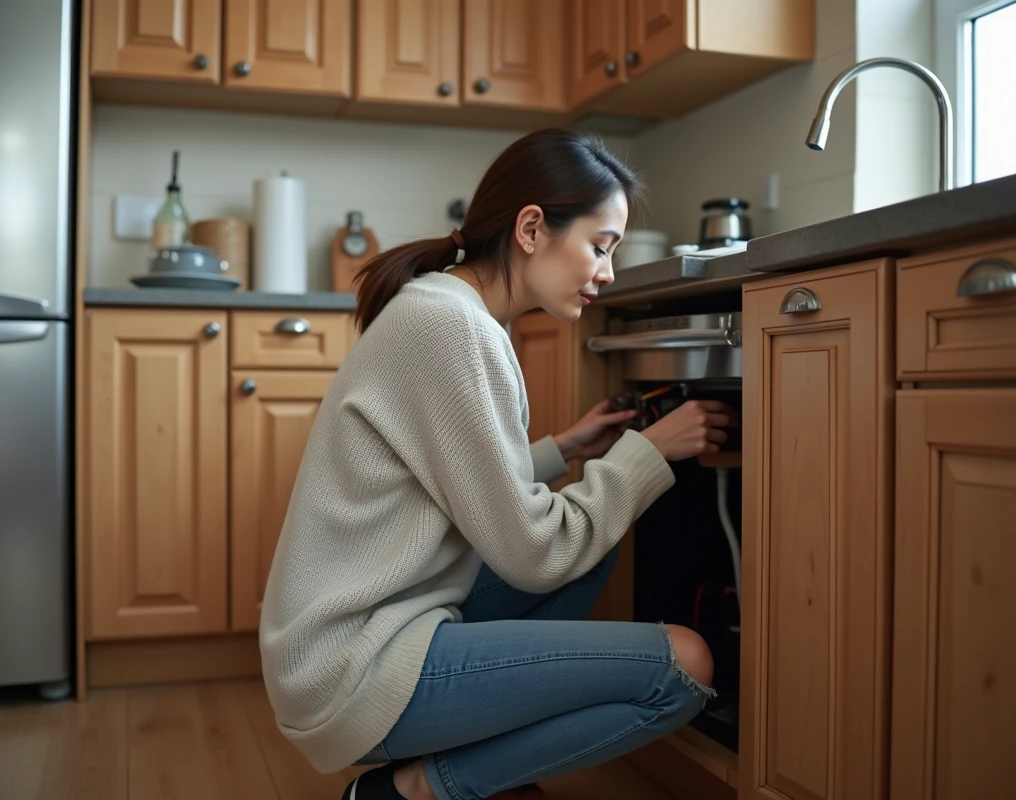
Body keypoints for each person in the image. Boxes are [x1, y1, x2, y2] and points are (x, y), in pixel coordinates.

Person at [258, 128, 735, 800]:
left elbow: (445, 481)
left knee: (594, 543)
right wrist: (648, 452)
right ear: (532, 228)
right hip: (351, 667)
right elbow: (535, 552)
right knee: (683, 666)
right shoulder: (453, 327)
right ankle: (419, 788)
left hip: (363, 630)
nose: (608, 273)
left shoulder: (445, 306)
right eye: (600, 246)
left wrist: (563, 450)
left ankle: (476, 745)